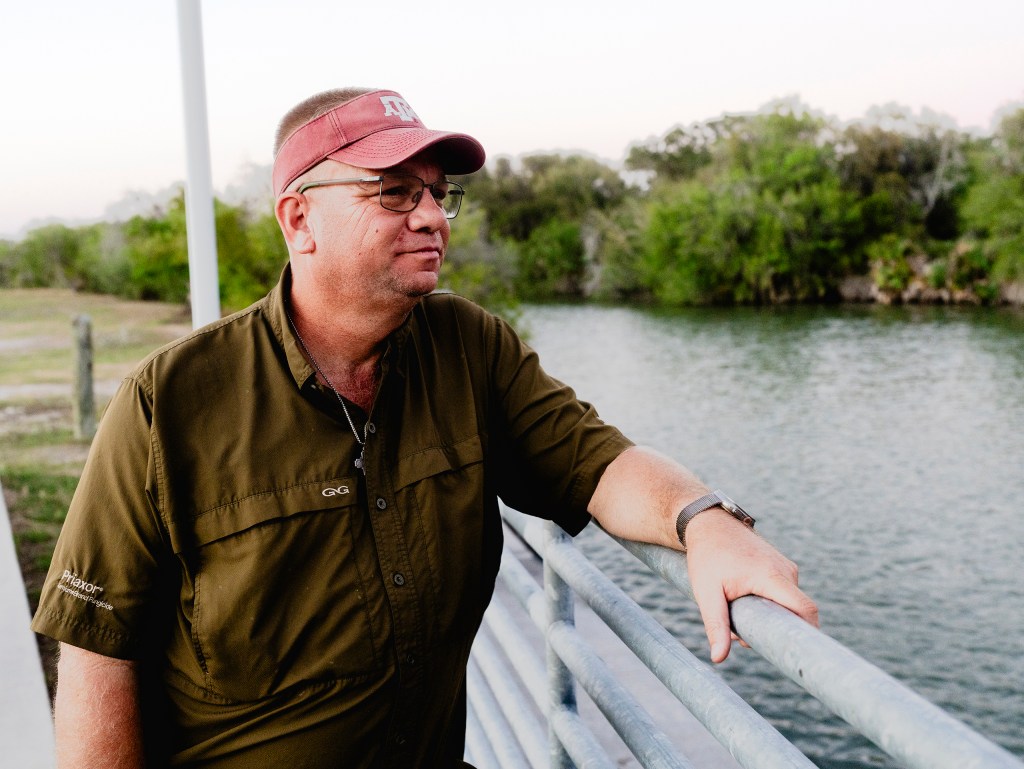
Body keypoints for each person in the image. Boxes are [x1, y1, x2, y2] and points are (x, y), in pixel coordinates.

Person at [31, 87, 818, 769]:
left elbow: (597, 463)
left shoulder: (472, 349)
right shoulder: (168, 404)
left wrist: (704, 520)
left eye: (440, 193)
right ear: (299, 218)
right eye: (395, 193)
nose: (435, 216)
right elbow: (100, 650)